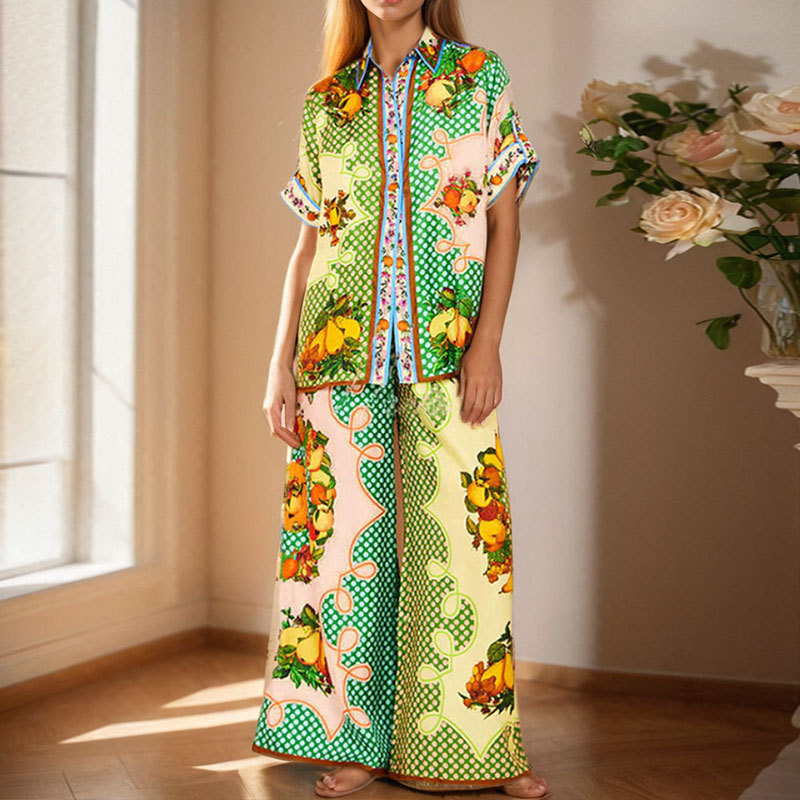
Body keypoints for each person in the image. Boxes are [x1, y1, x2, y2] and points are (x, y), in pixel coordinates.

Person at [251, 0, 549, 796]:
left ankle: (485, 747)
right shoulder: (327, 101)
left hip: (446, 353)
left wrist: (487, 343)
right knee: (343, 558)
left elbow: (505, 224)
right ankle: (357, 744)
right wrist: (279, 365)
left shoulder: (478, 78)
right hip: (335, 359)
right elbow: (308, 245)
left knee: (468, 552)